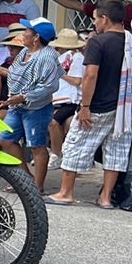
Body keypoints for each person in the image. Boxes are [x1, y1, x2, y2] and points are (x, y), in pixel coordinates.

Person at [46, 0, 130, 209]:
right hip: (123, 108)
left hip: (98, 105)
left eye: (94, 19)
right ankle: (106, 198)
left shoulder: (98, 42)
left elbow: (90, 75)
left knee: (75, 144)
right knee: (116, 150)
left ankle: (66, 193)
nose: (93, 24)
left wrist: (85, 106)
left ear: (105, 18)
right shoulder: (129, 41)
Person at [0, 18, 62, 193]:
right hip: (17, 106)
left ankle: (37, 187)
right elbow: (18, 75)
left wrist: (24, 97)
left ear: (36, 37)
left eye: (27, 32)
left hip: (36, 108)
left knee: (37, 146)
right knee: (4, 139)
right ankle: (27, 180)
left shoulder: (47, 57)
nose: (23, 34)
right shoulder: (25, 52)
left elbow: (50, 86)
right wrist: (4, 73)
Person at [48, 28, 88, 170]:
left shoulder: (77, 58)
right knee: (54, 123)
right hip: (58, 98)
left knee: (53, 123)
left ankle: (56, 154)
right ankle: (58, 153)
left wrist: (61, 74)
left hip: (72, 100)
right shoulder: (61, 58)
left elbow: (77, 81)